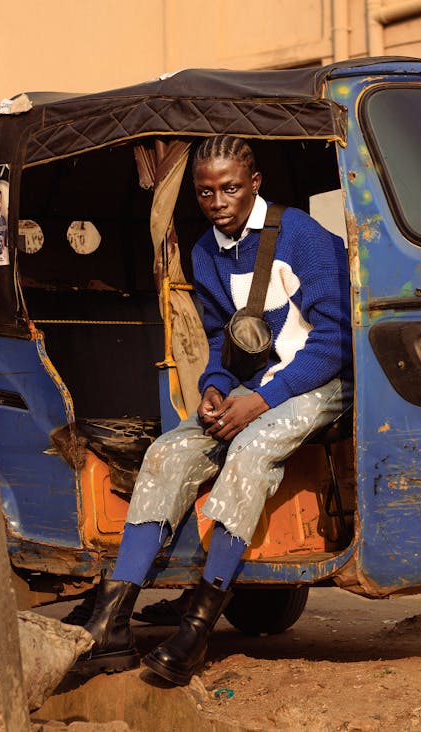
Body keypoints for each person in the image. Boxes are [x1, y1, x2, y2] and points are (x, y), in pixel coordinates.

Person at [74, 135, 352, 685]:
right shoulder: (204, 253)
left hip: (322, 380)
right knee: (168, 452)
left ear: (255, 183)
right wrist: (215, 388)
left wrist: (262, 400)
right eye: (205, 193)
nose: (218, 201)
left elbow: (335, 342)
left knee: (250, 449)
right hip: (254, 388)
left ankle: (199, 623)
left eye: (229, 188)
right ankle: (112, 620)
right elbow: (225, 345)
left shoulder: (305, 239)